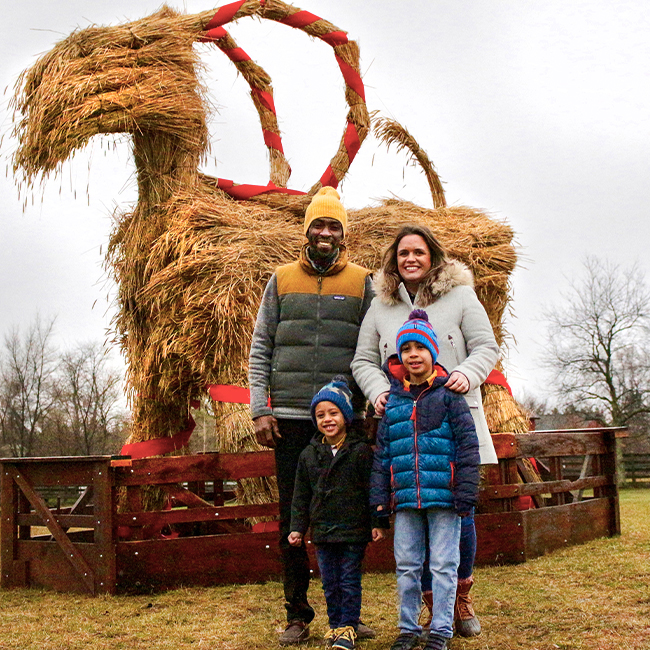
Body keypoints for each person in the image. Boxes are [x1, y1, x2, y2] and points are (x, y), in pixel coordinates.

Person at [351, 223, 499, 637]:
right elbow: (363, 359)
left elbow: (486, 345)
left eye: (418, 252)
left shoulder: (461, 296)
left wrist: (467, 375)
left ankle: (459, 597)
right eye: (403, 254)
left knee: (458, 509)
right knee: (416, 511)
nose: (410, 259)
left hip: (455, 415)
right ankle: (431, 605)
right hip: (404, 423)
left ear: (432, 256)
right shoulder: (380, 305)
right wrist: (380, 390)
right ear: (393, 261)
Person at [248, 186, 375, 646]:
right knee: (294, 519)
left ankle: (349, 613)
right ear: (306, 230)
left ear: (344, 234)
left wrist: (367, 406)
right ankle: (297, 614)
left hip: (346, 417)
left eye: (334, 226)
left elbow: (374, 346)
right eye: (318, 224)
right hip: (290, 416)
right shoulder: (280, 280)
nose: (325, 232)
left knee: (349, 515)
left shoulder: (364, 282)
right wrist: (260, 408)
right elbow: (261, 345)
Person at [369, 310, 480, 650]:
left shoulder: (449, 397)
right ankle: (407, 628)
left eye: (420, 348)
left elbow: (468, 448)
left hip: (445, 499)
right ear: (399, 356)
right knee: (406, 565)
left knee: (445, 564)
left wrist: (465, 494)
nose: (413, 355)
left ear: (433, 352)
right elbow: (382, 456)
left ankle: (441, 630)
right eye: (406, 349)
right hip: (405, 500)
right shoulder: (394, 403)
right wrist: (379, 503)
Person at [289, 377, 386, 650]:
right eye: (320, 415)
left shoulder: (359, 452)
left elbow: (372, 489)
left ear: (345, 416)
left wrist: (377, 521)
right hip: (322, 530)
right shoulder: (309, 454)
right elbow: (301, 495)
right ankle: (335, 626)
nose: (327, 419)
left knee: (348, 579)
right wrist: (297, 527)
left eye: (333, 413)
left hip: (353, 529)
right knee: (329, 582)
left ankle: (349, 627)